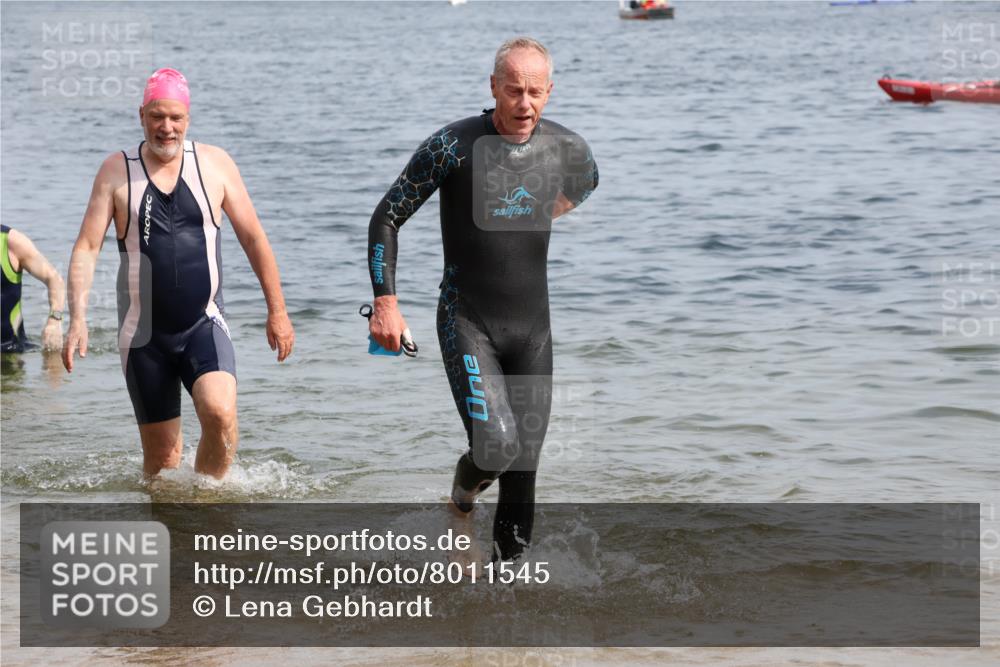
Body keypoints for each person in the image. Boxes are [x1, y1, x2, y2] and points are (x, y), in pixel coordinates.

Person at [367, 38, 598, 562]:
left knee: (524, 468)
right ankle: (462, 497)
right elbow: (387, 217)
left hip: (533, 331)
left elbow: (588, 181)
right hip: (468, 320)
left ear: (550, 91)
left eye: (535, 92)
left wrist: (538, 210)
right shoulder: (453, 146)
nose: (525, 104)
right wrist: (386, 304)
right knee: (497, 446)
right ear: (493, 87)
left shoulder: (567, 148)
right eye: (513, 90)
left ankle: (505, 590)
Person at [62, 68, 294, 480]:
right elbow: (87, 247)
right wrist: (77, 319)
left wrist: (277, 310)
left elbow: (254, 238)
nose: (166, 127)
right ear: (141, 115)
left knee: (220, 413)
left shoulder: (215, 165)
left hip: (203, 322)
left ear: (188, 117)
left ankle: (208, 503)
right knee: (162, 464)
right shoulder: (116, 171)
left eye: (175, 117)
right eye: (157, 116)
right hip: (143, 337)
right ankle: (174, 519)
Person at [1, 225, 65, 353]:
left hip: (12, 351)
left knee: (54, 359)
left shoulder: (11, 242)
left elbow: (54, 280)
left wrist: (54, 320)